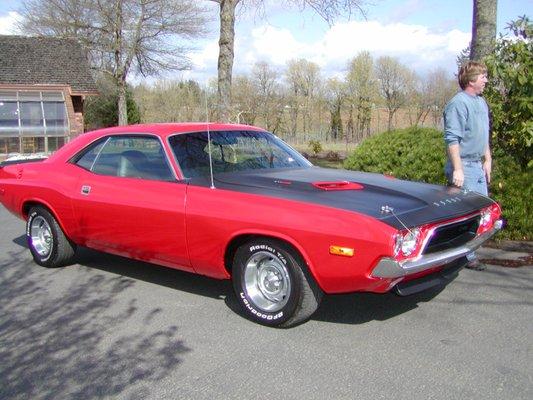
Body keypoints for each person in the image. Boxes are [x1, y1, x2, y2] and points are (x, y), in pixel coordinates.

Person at [443, 61, 491, 270]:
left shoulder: (481, 102)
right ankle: (464, 256)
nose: (486, 80)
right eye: (483, 76)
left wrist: (487, 159)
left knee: (481, 211)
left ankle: (463, 252)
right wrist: (458, 169)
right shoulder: (458, 104)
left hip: (477, 165)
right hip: (464, 166)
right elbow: (452, 139)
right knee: (467, 214)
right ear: (471, 80)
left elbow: (483, 134)